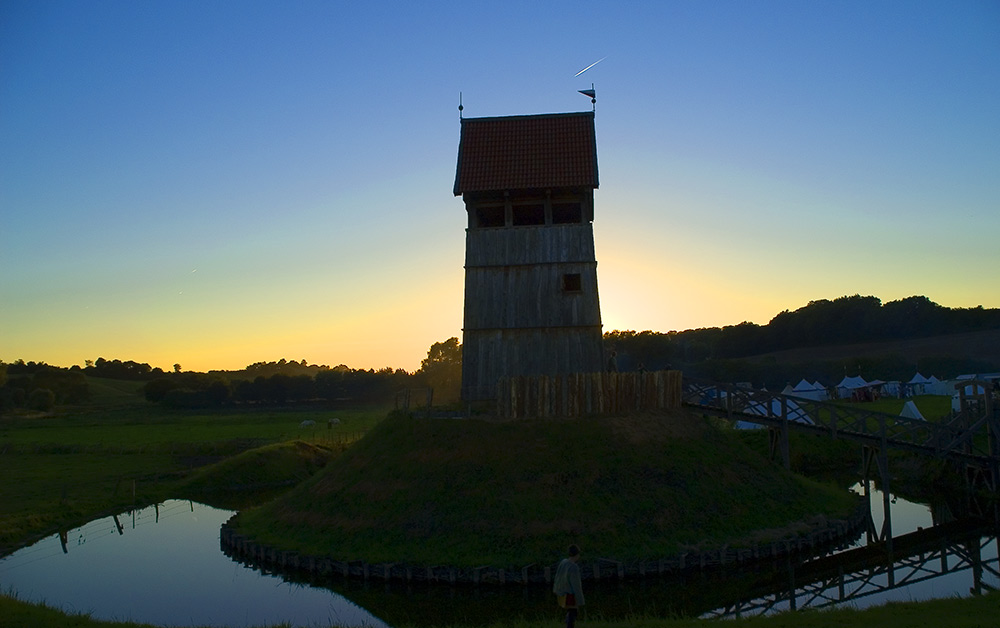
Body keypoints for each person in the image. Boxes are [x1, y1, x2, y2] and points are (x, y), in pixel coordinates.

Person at [553, 544, 585, 628]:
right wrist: (581, 600)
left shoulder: (563, 562)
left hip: (562, 592)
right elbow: (576, 585)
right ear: (577, 554)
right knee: (573, 612)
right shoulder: (573, 567)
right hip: (570, 594)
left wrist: (556, 589)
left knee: (570, 611)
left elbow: (557, 576)